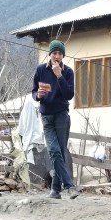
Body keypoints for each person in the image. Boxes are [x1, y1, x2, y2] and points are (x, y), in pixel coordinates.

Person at [32, 40, 77, 200]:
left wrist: (59, 75)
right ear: (49, 54)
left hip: (61, 115)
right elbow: (33, 91)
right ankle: (70, 186)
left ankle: (55, 190)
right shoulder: (40, 70)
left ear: (63, 55)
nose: (57, 56)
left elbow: (69, 95)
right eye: (54, 53)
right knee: (53, 150)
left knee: (61, 152)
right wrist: (38, 95)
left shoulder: (68, 72)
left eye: (60, 53)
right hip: (46, 116)